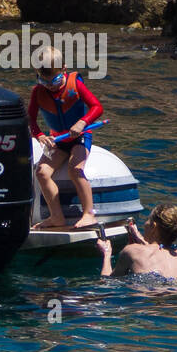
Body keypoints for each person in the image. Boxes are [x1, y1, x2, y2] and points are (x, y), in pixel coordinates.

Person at [28, 46, 104, 230]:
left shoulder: (76, 84)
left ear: (63, 69)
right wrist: (39, 135)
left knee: (75, 168)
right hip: (59, 141)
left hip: (80, 137)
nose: (49, 86)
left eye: (53, 80)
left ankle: (89, 214)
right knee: (41, 172)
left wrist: (82, 123)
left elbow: (97, 107)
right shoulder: (38, 92)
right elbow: (30, 119)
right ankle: (56, 217)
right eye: (43, 80)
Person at [96, 204, 177, 280]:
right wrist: (143, 241)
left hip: (147, 301)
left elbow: (107, 282)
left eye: (148, 220)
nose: (145, 224)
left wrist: (107, 253)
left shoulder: (132, 251)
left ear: (153, 226)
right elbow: (160, 252)